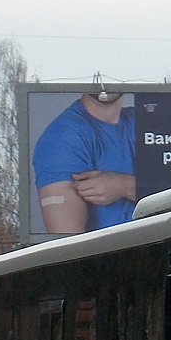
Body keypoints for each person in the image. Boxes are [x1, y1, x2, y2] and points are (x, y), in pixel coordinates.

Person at [33, 92, 137, 234]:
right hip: (116, 255)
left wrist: (125, 185)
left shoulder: (145, 121)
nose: (104, 81)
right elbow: (68, 245)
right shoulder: (62, 136)